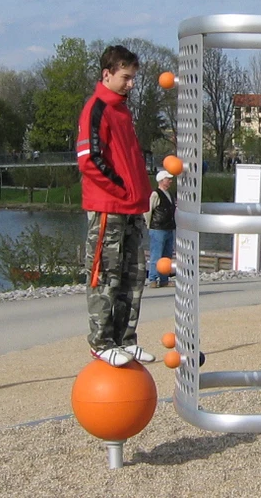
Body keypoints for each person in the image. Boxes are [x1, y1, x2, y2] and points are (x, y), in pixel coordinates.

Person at [76, 45, 156, 367]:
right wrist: (121, 189)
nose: (131, 84)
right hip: (109, 207)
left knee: (133, 275)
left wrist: (138, 193)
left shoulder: (123, 111)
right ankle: (101, 340)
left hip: (132, 208)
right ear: (107, 74)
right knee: (105, 274)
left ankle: (125, 338)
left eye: (133, 78)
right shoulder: (97, 108)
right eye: (126, 77)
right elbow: (89, 160)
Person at [146, 170, 176, 289]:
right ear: (161, 180)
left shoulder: (169, 194)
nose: (170, 181)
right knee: (156, 255)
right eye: (168, 179)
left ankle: (164, 279)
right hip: (158, 228)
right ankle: (153, 279)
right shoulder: (155, 194)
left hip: (168, 227)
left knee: (167, 255)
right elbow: (148, 211)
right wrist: (149, 225)